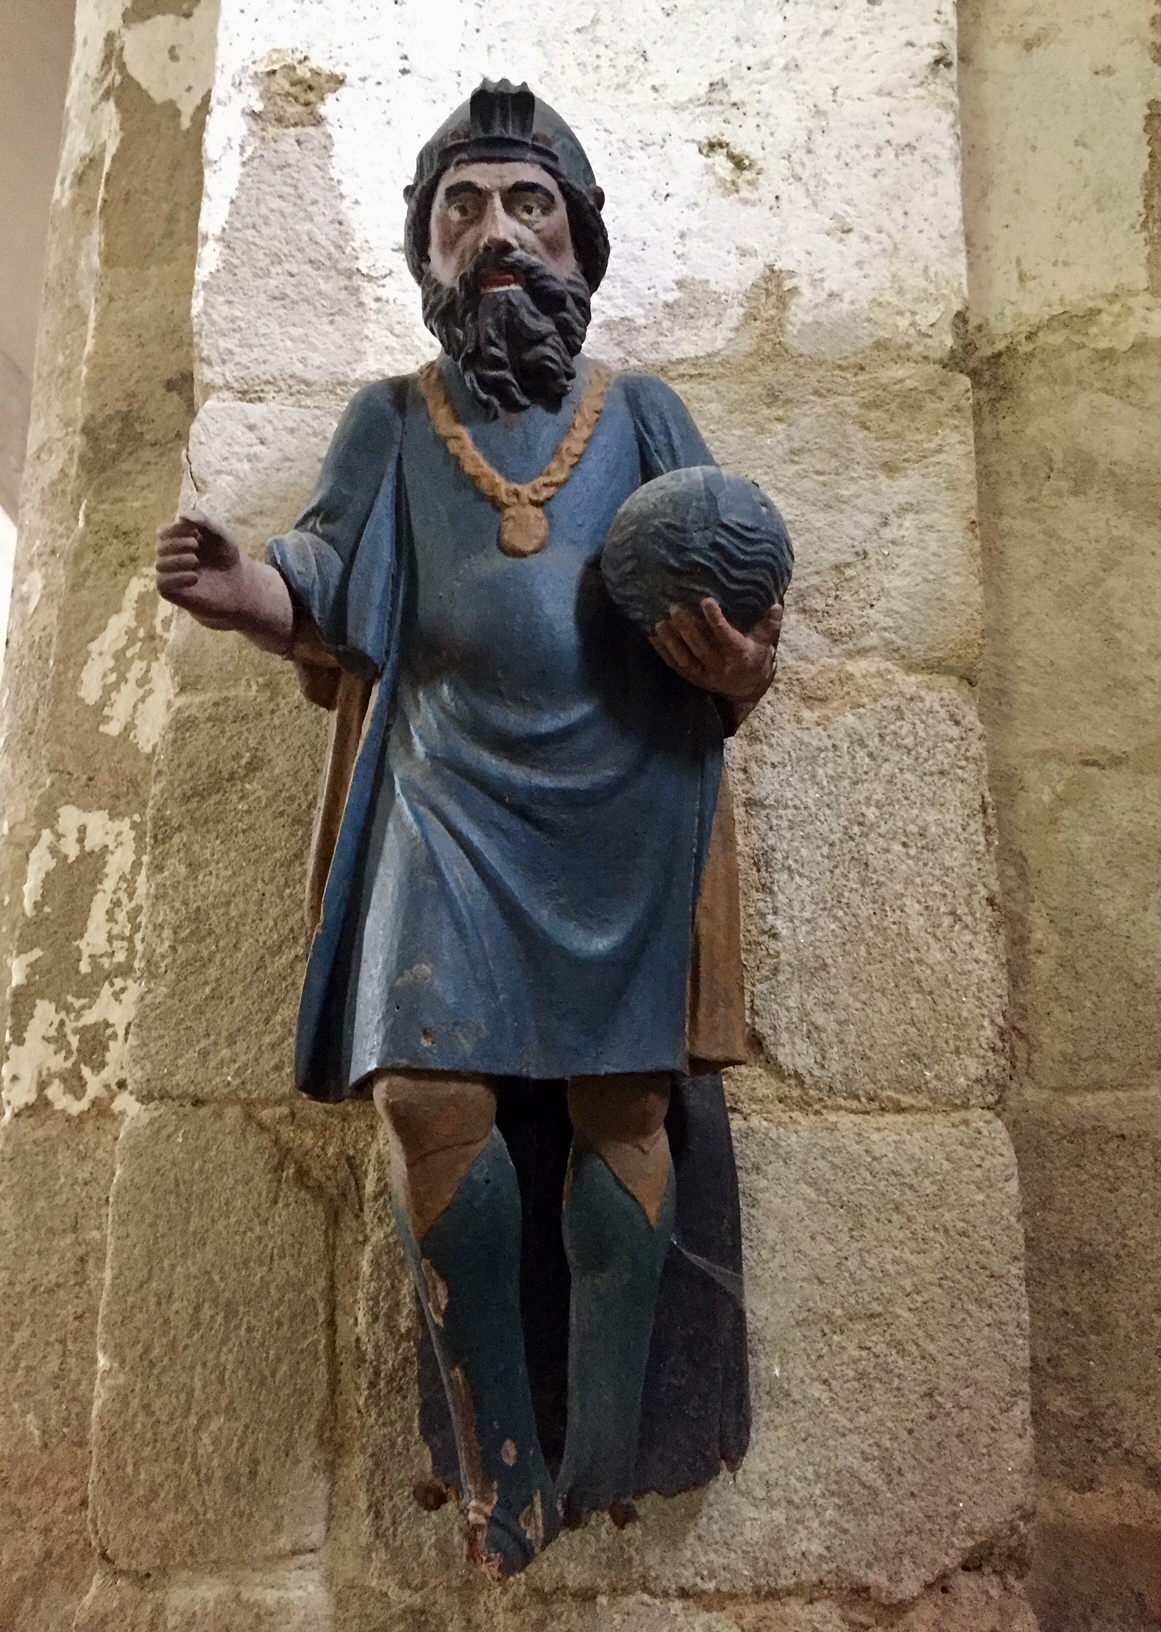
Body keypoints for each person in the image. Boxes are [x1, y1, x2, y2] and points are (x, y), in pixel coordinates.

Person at [155, 79, 781, 1580]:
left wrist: (741, 663)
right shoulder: (392, 420)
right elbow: (324, 573)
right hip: (443, 798)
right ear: (429, 247)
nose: (497, 232)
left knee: (624, 1106)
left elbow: (742, 608)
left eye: (528, 205)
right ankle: (501, 1450)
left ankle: (608, 1436)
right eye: (464, 207)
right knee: (428, 1095)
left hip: (625, 797)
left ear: (577, 243)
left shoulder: (641, 414)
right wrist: (247, 592)